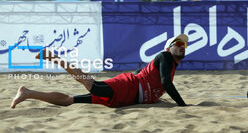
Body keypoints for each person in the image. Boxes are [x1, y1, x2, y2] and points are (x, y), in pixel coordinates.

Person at [11, 34, 189, 108]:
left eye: (184, 45)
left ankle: (27, 93)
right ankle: (52, 56)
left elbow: (144, 72)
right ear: (169, 48)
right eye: (178, 44)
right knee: (92, 85)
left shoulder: (171, 66)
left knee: (70, 100)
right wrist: (182, 105)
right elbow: (165, 82)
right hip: (128, 88)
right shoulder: (165, 57)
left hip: (127, 99)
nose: (182, 47)